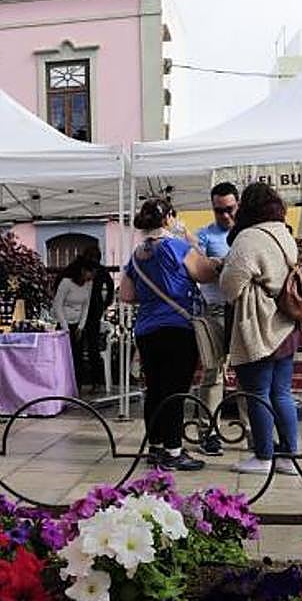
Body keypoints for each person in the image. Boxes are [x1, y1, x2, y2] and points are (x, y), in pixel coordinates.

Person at [119, 197, 222, 472]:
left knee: (154, 389)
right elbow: (204, 273)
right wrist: (199, 248)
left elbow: (126, 294)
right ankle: (173, 452)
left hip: (146, 330)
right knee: (175, 391)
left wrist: (151, 297)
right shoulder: (177, 247)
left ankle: (155, 447)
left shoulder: (136, 255)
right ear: (168, 219)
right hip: (178, 327)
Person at [219, 183, 301, 475]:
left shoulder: (249, 237)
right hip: (286, 323)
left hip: (259, 324)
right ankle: (289, 457)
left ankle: (264, 456)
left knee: (257, 393)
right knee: (282, 393)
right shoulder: (284, 232)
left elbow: (230, 286)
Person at [195, 181, 239, 452]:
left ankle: (254, 432)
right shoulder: (205, 235)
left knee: (248, 374)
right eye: (218, 210)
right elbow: (198, 269)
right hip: (216, 309)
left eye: (229, 209)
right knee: (213, 372)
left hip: (243, 310)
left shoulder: (247, 234)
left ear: (238, 205)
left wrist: (221, 265)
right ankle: (208, 432)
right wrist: (218, 266)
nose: (224, 215)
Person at [52, 260, 94, 388]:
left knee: (77, 357)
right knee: (64, 357)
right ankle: (62, 385)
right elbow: (57, 305)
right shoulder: (66, 283)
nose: (92, 275)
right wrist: (65, 327)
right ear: (82, 271)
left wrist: (81, 326)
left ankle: (77, 385)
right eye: (90, 272)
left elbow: (86, 306)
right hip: (64, 323)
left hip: (78, 324)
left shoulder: (88, 284)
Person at [78, 245, 114, 391]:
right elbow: (111, 287)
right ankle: (96, 382)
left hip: (83, 307)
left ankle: (81, 381)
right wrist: (105, 303)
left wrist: (105, 303)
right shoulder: (102, 270)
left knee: (81, 346)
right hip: (95, 308)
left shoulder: (83, 269)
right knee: (93, 346)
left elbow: (110, 287)